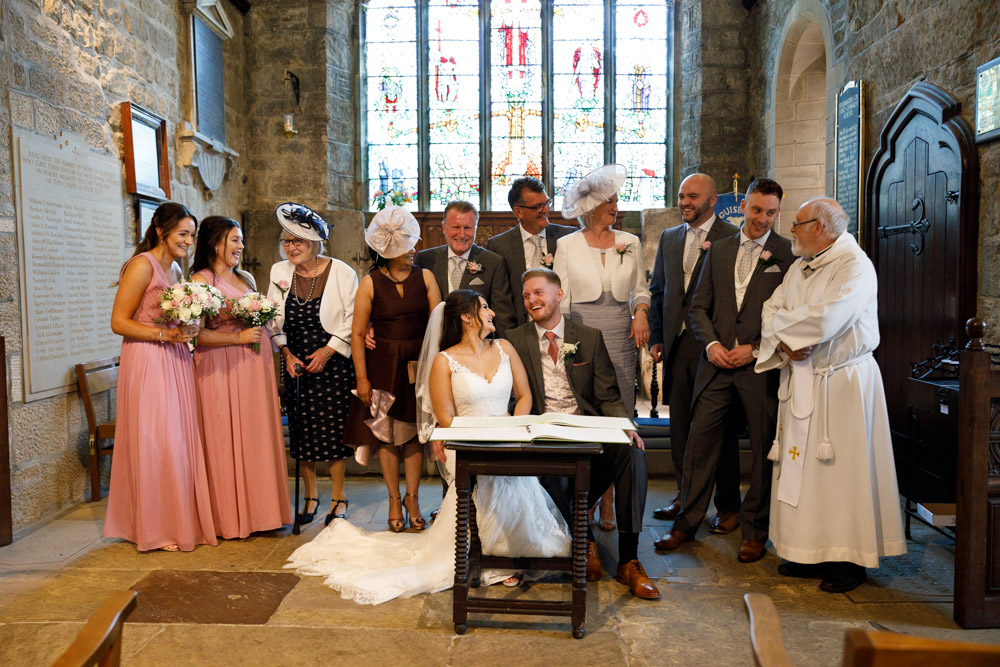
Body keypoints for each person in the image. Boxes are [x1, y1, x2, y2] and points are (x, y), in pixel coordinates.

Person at [285, 290, 570, 604]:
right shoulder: (443, 361)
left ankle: (514, 549)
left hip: (508, 435)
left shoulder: (505, 347)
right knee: (486, 477)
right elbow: (446, 418)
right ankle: (492, 554)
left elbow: (524, 395)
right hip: (465, 441)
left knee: (515, 475)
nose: (492, 313)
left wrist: (512, 430)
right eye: (485, 307)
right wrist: (485, 439)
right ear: (467, 317)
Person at [755, 197, 906, 593]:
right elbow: (770, 309)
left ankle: (848, 559)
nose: (791, 230)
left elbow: (827, 319)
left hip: (841, 384)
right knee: (804, 474)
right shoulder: (799, 267)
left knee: (841, 475)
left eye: (797, 223)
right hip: (802, 378)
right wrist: (785, 343)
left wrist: (785, 331)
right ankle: (809, 552)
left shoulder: (854, 266)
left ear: (818, 227)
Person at [653, 179, 794, 563]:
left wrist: (756, 348)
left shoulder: (786, 254)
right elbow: (697, 307)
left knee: (763, 449)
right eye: (757, 210)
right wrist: (712, 345)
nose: (762, 219)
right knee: (699, 444)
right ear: (743, 206)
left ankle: (755, 531)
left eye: (771, 213)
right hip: (715, 365)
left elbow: (791, 314)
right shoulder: (720, 248)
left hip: (758, 367)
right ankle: (686, 523)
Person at [505, 268, 660, 600]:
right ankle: (584, 541)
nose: (532, 300)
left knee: (631, 452)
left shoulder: (588, 337)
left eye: (539, 292)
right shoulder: (514, 339)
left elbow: (608, 396)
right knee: (545, 467)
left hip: (587, 430)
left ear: (558, 295)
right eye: (527, 295)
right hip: (542, 433)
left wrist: (625, 427)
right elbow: (511, 396)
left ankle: (629, 559)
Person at [104, 202, 216, 552]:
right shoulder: (142, 266)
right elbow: (118, 322)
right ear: (160, 232)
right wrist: (164, 334)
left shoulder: (177, 270)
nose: (188, 241)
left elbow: (176, 316)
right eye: (182, 234)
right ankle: (154, 527)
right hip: (148, 359)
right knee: (156, 441)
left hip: (175, 358)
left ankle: (174, 520)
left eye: (192, 235)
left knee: (176, 441)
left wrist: (189, 323)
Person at [553, 164, 651, 533]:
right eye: (609, 202)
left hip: (621, 335)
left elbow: (641, 290)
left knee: (619, 414)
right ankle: (589, 497)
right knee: (589, 411)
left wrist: (641, 314)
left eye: (616, 201)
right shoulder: (567, 245)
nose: (616, 207)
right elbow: (561, 299)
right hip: (582, 336)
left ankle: (611, 498)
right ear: (591, 206)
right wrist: (565, 343)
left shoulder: (630, 242)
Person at [648, 173, 742, 530]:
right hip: (677, 343)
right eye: (681, 195)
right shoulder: (670, 237)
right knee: (679, 428)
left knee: (721, 428)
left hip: (714, 344)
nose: (685, 202)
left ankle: (728, 506)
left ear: (713, 200)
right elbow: (659, 290)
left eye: (693, 196)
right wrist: (658, 336)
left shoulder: (731, 236)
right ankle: (685, 497)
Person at [190, 216, 292, 539]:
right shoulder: (200, 280)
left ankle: (263, 512)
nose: (241, 246)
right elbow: (196, 334)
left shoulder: (245, 277)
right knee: (224, 438)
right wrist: (237, 338)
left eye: (241, 240)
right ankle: (229, 519)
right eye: (235, 240)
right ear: (216, 242)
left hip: (253, 369)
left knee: (255, 436)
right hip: (221, 369)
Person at [343, 206, 441, 532]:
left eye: (412, 243)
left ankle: (413, 499)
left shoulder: (426, 277)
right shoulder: (369, 283)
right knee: (387, 436)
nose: (413, 249)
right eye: (406, 244)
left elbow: (439, 325)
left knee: (412, 435)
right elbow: (358, 333)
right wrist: (362, 378)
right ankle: (394, 499)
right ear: (388, 249)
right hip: (382, 364)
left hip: (418, 364)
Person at [268, 203, 358, 527]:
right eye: (287, 241)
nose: (291, 247)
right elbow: (272, 318)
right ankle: (310, 495)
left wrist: (327, 351)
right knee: (302, 432)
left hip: (332, 363)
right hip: (295, 362)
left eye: (298, 241)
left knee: (333, 432)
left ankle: (339, 496)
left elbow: (352, 318)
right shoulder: (279, 272)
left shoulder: (342, 272)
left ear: (315, 242)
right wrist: (285, 352)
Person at [417, 200, 517, 334]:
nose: (462, 234)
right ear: (444, 228)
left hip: (478, 342)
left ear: (476, 228)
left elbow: (503, 316)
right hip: (435, 339)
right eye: (456, 227)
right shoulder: (425, 259)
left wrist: (501, 345)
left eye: (468, 228)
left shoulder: (494, 262)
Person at [486, 176, 576, 325]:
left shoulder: (567, 237)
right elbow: (501, 300)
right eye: (538, 206)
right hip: (520, 327)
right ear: (518, 211)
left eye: (547, 203)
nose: (546, 210)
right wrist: (510, 335)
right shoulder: (499, 245)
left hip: (563, 324)